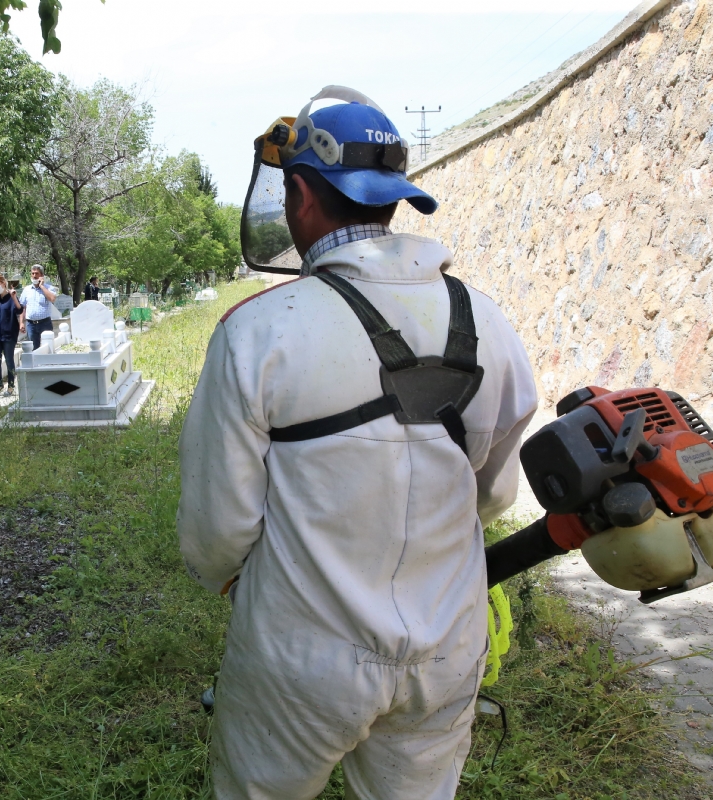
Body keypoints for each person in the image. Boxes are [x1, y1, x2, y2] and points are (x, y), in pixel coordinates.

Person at [176, 88, 538, 800]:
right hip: (446, 649)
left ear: (303, 196)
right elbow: (492, 494)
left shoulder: (258, 332)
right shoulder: (486, 321)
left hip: (299, 658)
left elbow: (217, 532)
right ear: (391, 200)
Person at [0, 273, 23, 395]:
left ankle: (11, 386)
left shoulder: (11, 297)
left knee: (9, 361)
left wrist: (14, 298)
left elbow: (19, 309)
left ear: (4, 284)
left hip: (9, 335)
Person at [18, 264, 57, 349]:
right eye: (33, 273)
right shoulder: (27, 290)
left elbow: (52, 299)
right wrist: (21, 322)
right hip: (31, 325)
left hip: (45, 323)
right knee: (33, 350)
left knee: (47, 348)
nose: (34, 276)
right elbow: (22, 307)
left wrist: (42, 286)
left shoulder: (48, 288)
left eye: (37, 273)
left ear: (42, 275)